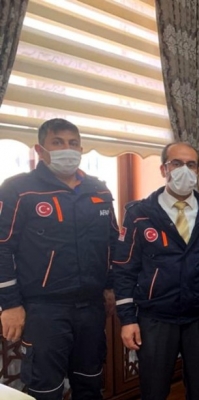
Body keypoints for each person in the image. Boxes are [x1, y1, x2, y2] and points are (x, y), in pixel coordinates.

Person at [0, 118, 118, 400]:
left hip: (91, 306)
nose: (68, 149)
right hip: (44, 309)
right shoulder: (18, 189)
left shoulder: (99, 190)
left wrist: (111, 286)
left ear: (81, 149)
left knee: (90, 383)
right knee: (46, 388)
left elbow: (113, 243)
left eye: (73, 143)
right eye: (58, 142)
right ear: (40, 150)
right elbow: (2, 247)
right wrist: (10, 304)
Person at [112, 142, 199, 400]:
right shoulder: (139, 214)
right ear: (163, 169)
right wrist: (128, 319)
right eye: (177, 163)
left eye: (191, 164)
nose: (184, 170)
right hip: (156, 317)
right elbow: (124, 269)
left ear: (197, 170)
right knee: (154, 391)